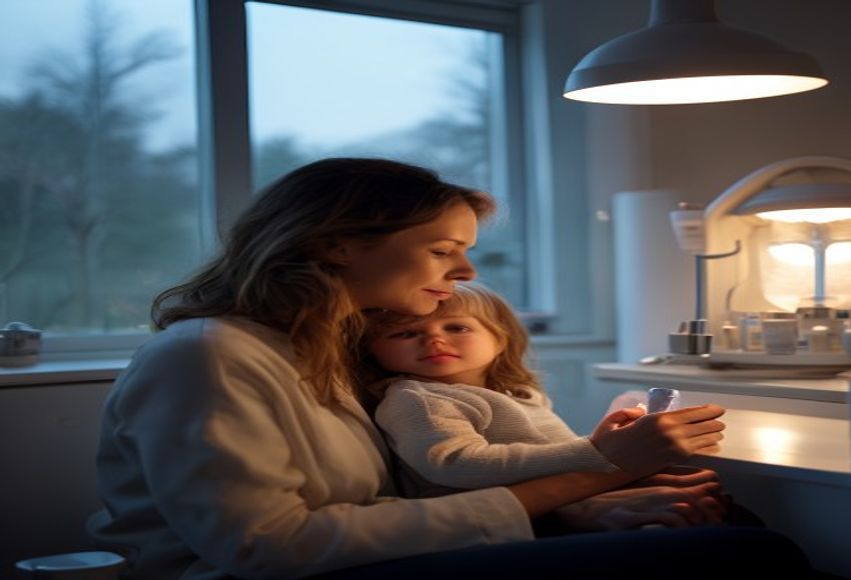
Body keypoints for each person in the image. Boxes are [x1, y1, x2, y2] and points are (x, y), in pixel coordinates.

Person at [87, 158, 812, 579]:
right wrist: (598, 471)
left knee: (726, 534)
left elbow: (392, 501)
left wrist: (585, 513)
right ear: (339, 245)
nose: (464, 270)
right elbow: (264, 547)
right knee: (744, 557)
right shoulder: (209, 356)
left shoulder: (325, 355)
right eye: (441, 250)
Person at [362, 282, 726, 524]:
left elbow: (550, 453)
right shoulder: (417, 399)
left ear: (500, 338)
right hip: (492, 521)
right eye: (406, 333)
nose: (434, 341)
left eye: (456, 327)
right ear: (374, 350)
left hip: (554, 501)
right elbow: (455, 464)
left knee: (711, 497)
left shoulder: (516, 394)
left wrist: (610, 448)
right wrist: (593, 451)